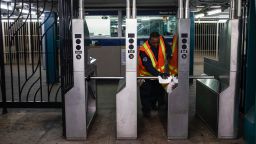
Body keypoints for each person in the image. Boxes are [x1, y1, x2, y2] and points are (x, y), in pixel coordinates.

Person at [138, 32, 177, 118]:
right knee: (146, 94)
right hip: (147, 76)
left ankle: (154, 106)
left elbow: (168, 47)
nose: (156, 44)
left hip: (158, 75)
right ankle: (146, 111)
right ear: (149, 39)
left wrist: (169, 54)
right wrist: (159, 74)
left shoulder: (162, 40)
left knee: (156, 92)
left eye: (157, 42)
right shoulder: (143, 50)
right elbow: (148, 66)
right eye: (153, 42)